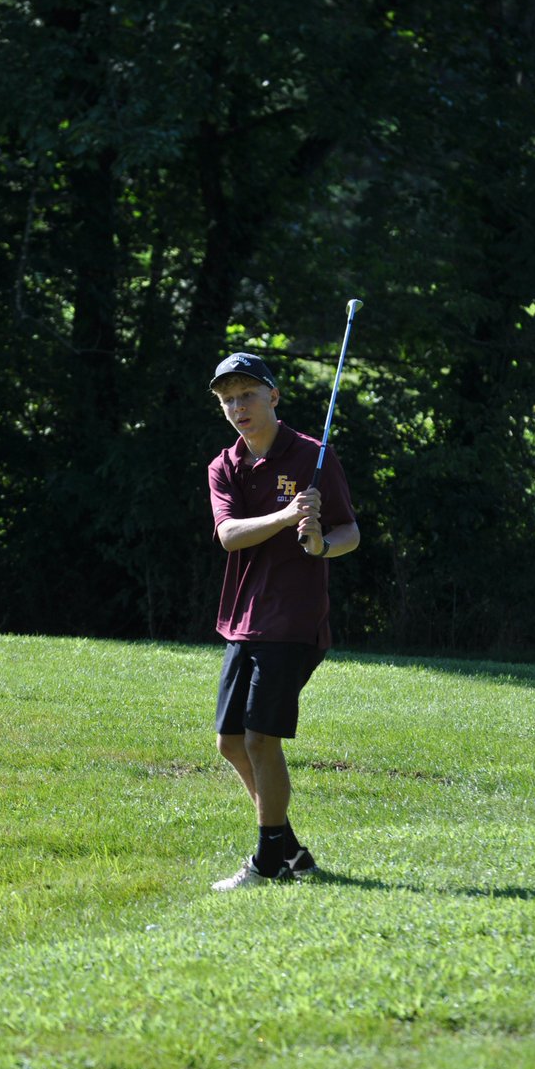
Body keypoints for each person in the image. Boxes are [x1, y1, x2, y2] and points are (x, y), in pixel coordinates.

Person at [207, 351, 360, 891]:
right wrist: (287, 516)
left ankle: (268, 860)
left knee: (260, 738)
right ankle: (290, 850)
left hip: (293, 621)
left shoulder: (314, 456)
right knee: (229, 742)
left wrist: (318, 545)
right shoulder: (225, 466)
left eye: (247, 395)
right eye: (228, 400)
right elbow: (228, 535)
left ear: (273, 396)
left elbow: (348, 533)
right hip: (242, 619)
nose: (238, 408)